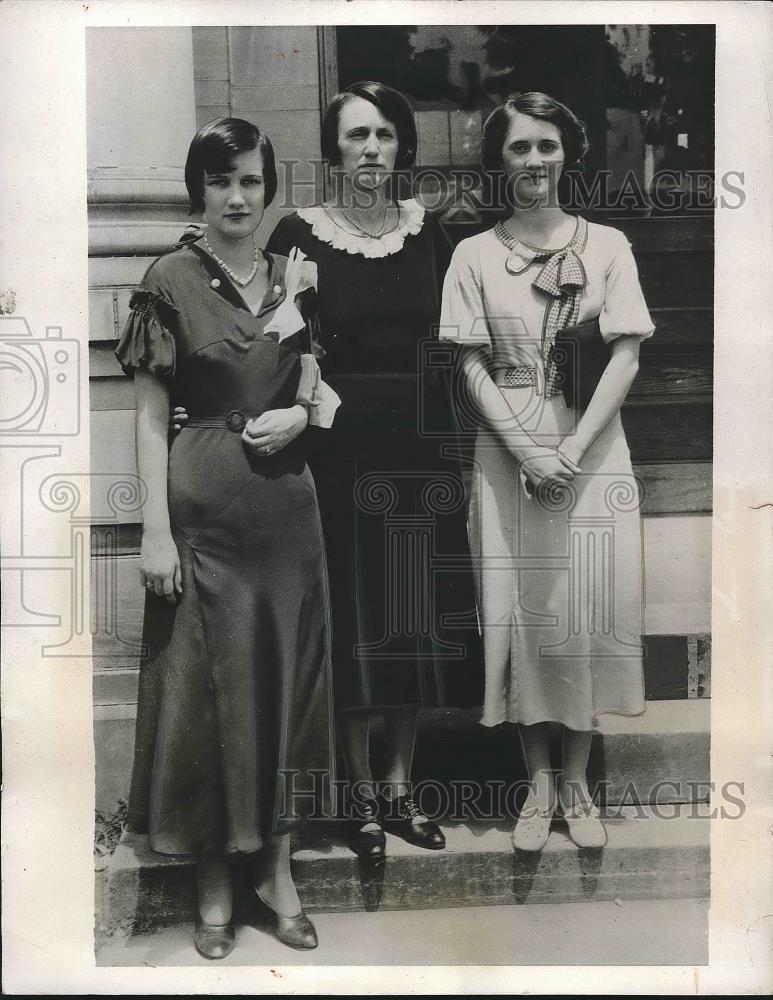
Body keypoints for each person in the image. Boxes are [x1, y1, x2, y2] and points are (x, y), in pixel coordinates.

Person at [116, 118, 336, 960]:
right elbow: (146, 417)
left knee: (285, 682)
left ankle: (276, 873)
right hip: (203, 514)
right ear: (197, 189)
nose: (236, 197)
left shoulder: (296, 277)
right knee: (207, 694)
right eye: (220, 181)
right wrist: (155, 533)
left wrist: (303, 411)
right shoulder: (167, 277)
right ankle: (213, 876)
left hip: (287, 513)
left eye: (249, 180)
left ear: (268, 186)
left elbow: (319, 383)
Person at [266, 81, 482, 861]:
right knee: (355, 619)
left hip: (419, 455)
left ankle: (400, 789)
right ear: (332, 151)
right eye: (355, 135)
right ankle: (357, 797)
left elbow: (464, 342)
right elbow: (275, 339)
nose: (370, 149)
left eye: (384, 135)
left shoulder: (434, 236)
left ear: (401, 147)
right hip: (338, 448)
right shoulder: (299, 234)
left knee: (409, 618)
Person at [439, 92, 654, 852]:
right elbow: (467, 362)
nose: (533, 161)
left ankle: (577, 783)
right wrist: (528, 452)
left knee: (582, 607)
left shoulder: (607, 246)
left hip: (591, 444)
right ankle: (534, 786)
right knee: (522, 609)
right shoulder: (471, 255)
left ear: (568, 152)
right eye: (519, 148)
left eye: (546, 146)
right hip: (507, 447)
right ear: (498, 159)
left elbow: (625, 353)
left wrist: (567, 451)